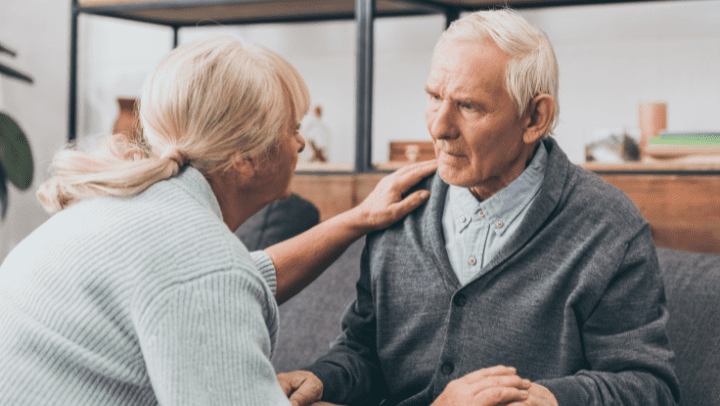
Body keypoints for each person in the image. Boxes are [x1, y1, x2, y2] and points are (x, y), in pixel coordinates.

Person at [0, 36, 437, 405]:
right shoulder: (202, 265)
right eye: (292, 128)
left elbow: (239, 276)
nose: (301, 143)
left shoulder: (137, 208)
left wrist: (356, 219)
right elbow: (213, 280)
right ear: (245, 158)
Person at [279, 9, 679, 406]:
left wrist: (550, 399)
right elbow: (363, 351)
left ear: (535, 118)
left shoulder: (610, 228)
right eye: (434, 97)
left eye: (469, 106)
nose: (439, 127)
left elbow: (650, 387)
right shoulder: (397, 208)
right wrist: (322, 378)